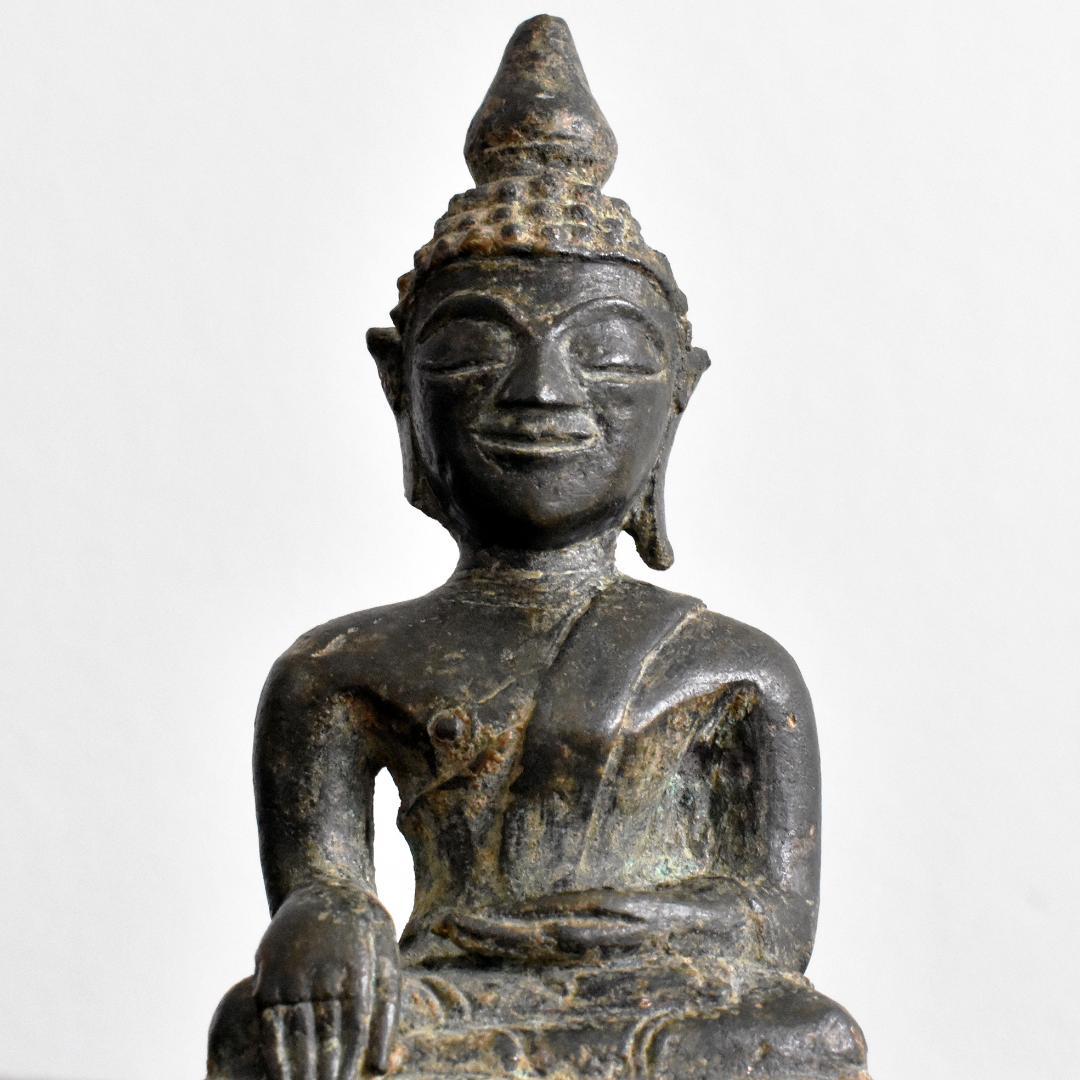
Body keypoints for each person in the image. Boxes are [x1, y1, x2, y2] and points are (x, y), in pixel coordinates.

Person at [207, 16, 870, 1080]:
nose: (543, 392)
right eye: (477, 347)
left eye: (606, 354)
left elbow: (775, 925)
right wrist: (324, 921)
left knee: (803, 1037)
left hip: (651, 998)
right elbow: (321, 884)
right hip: (448, 995)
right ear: (400, 385)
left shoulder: (736, 668)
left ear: (678, 394)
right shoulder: (337, 672)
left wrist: (642, 923)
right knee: (257, 1030)